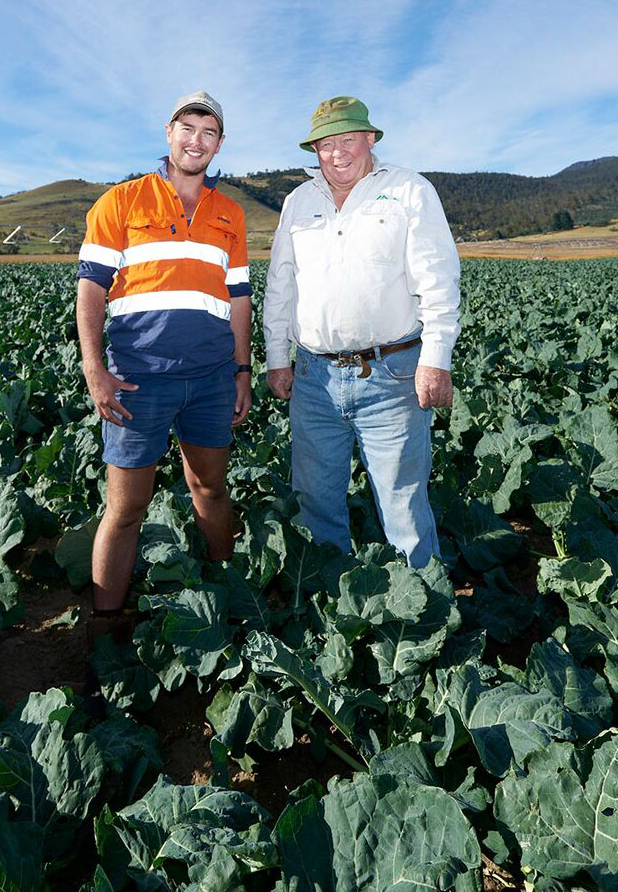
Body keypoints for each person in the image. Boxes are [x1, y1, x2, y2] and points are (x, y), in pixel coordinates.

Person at [76, 91, 252, 630]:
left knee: (210, 489)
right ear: (168, 134)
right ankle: (105, 626)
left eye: (209, 132)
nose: (196, 140)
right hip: (138, 382)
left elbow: (239, 297)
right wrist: (94, 370)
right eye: (188, 128)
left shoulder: (231, 213)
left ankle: (229, 595)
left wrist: (242, 371)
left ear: (219, 144)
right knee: (125, 509)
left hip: (210, 380)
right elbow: (90, 288)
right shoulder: (122, 201)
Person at [262, 95, 460, 567]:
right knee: (315, 499)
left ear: (370, 139)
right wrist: (276, 358)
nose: (337, 152)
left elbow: (438, 278)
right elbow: (279, 284)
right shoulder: (298, 202)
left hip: (392, 374)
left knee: (403, 504)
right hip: (314, 378)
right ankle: (331, 608)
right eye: (326, 144)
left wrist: (436, 360)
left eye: (348, 139)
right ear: (314, 150)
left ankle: (420, 618)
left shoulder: (410, 190)